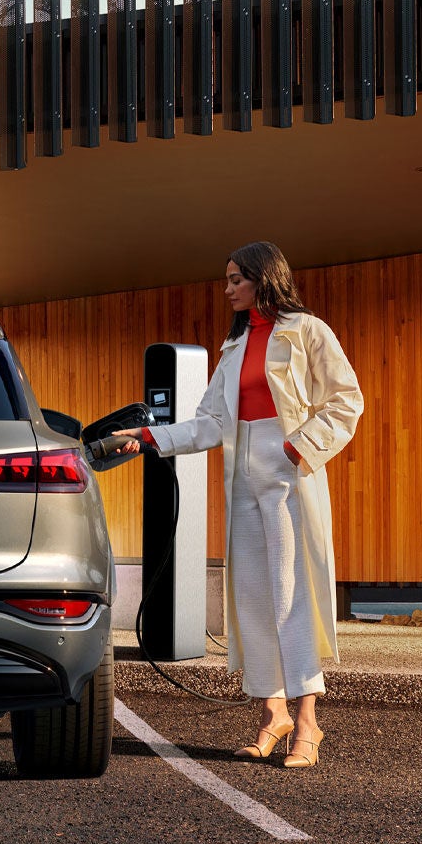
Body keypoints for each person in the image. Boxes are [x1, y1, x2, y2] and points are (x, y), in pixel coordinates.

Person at [110, 241, 363, 768]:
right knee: (249, 598)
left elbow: (346, 400)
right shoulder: (235, 347)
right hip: (242, 477)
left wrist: (299, 445)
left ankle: (309, 722)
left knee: (291, 594)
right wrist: (152, 437)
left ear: (262, 278)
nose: (226, 290)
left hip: (289, 473)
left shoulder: (308, 331)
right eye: (226, 280)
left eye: (234, 280)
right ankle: (274, 715)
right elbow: (211, 424)